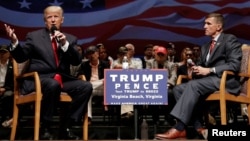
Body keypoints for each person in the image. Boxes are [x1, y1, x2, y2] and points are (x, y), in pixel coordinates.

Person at [4, 5, 92, 140]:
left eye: (55, 16)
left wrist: (64, 44)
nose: (52, 20)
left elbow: (76, 61)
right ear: (45, 21)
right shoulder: (34, 37)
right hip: (38, 80)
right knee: (52, 84)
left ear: (62, 20)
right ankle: (45, 126)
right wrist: (15, 42)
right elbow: (21, 57)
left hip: (61, 79)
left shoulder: (70, 38)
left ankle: (66, 127)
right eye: (49, 17)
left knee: (85, 86)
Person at [155, 13, 242, 139]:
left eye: (208, 24)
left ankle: (179, 127)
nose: (204, 26)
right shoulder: (205, 46)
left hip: (224, 80)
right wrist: (194, 70)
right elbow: (201, 66)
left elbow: (234, 65)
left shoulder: (229, 39)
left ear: (218, 26)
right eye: (204, 23)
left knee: (193, 85)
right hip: (207, 82)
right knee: (178, 89)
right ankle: (199, 127)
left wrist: (210, 70)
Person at [77, 45, 110, 125]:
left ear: (98, 54)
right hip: (91, 89)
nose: (91, 55)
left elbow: (109, 77)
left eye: (93, 53)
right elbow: (79, 77)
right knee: (86, 92)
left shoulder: (105, 64)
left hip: (103, 88)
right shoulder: (84, 65)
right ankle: (88, 117)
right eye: (89, 54)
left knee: (105, 80)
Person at [146, 46, 177, 125]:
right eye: (158, 54)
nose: (160, 56)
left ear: (166, 56)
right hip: (153, 86)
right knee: (153, 94)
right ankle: (155, 119)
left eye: (162, 55)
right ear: (155, 55)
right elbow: (147, 74)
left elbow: (174, 76)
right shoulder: (150, 63)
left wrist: (168, 84)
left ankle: (168, 118)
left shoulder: (171, 65)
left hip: (167, 86)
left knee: (169, 94)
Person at [0, 45, 14, 128]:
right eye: (1, 52)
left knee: (8, 95)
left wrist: (4, 89)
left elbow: (14, 83)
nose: (2, 54)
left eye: (4, 52)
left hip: (7, 89)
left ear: (9, 53)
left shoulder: (13, 66)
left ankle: (5, 118)